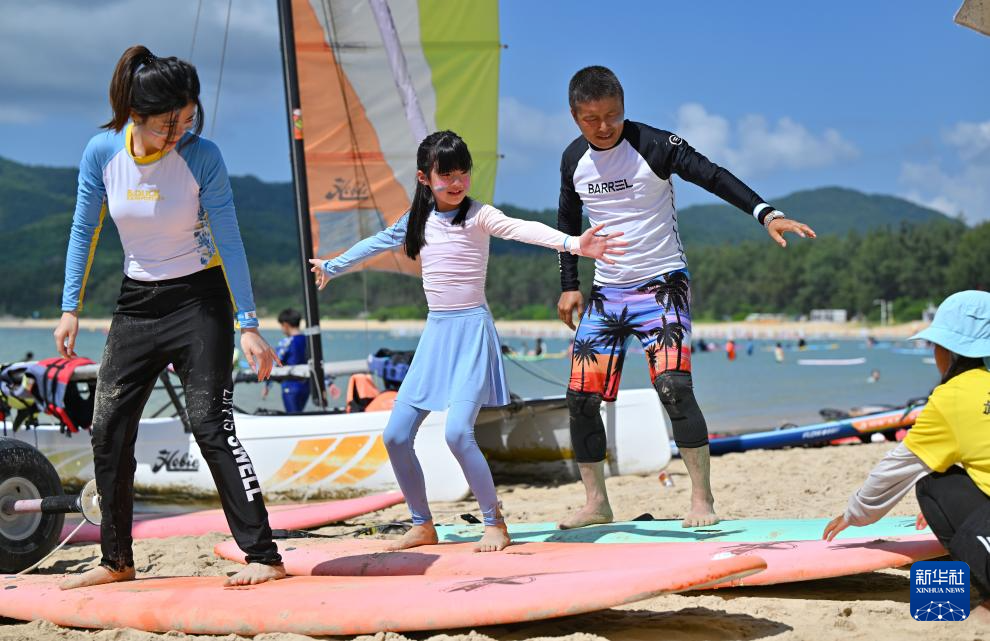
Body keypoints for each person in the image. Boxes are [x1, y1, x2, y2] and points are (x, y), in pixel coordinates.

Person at [311, 131, 624, 553]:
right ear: (424, 178)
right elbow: (376, 242)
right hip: (436, 335)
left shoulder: (478, 216)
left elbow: (522, 229)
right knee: (396, 436)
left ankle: (495, 523)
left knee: (458, 433)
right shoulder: (416, 220)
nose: (457, 182)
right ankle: (422, 524)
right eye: (447, 175)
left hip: (472, 333)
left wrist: (573, 243)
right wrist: (333, 266)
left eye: (463, 173)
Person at [53, 46, 285, 589]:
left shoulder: (203, 156)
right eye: (168, 123)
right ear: (136, 115)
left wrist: (249, 323)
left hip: (199, 302)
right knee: (109, 429)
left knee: (211, 426)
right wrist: (69, 309)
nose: (180, 131)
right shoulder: (102, 153)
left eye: (188, 118)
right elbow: (84, 230)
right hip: (136, 305)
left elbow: (229, 237)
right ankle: (116, 560)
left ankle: (263, 555)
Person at [555, 66, 816, 529]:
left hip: (662, 285)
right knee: (580, 398)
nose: (604, 126)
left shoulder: (656, 145)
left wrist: (766, 214)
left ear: (623, 106)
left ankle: (701, 499)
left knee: (674, 387)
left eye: (613, 115)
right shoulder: (573, 158)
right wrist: (569, 284)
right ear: (576, 116)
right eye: (592, 118)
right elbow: (568, 222)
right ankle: (596, 503)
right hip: (607, 291)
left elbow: (713, 175)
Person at [823, 290, 990, 616]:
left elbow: (894, 470)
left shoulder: (950, 398)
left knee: (932, 483)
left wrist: (853, 514)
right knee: (950, 479)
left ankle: (978, 597)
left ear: (950, 352)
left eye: (934, 345)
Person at [262, 308, 310, 412]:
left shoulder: (286, 342)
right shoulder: (309, 341)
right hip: (306, 387)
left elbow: (275, 364)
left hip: (290, 387)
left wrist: (267, 385)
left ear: (285, 325)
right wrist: (328, 384)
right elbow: (316, 363)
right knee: (299, 414)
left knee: (292, 416)